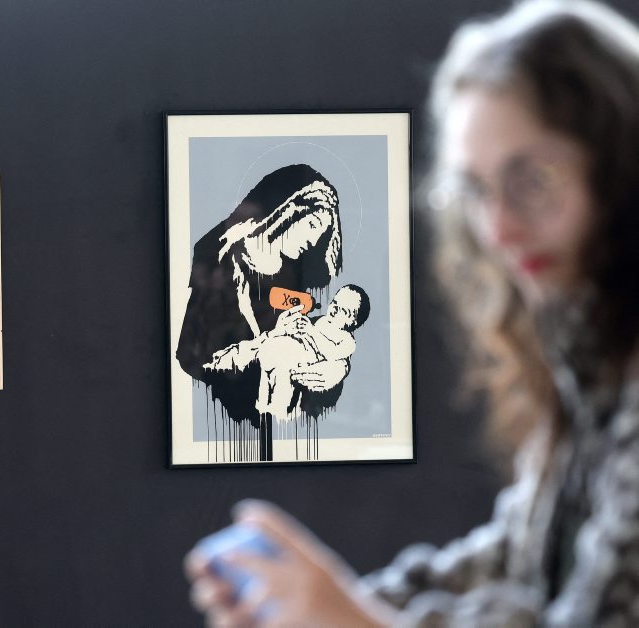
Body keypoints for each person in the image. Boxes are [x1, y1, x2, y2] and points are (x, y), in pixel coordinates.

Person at [185, 0, 639, 625]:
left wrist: (351, 618)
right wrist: (327, 605)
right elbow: (516, 558)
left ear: (619, 164)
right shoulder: (586, 358)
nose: (499, 228)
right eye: (476, 191)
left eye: (531, 180)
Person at [176, 164, 344, 459]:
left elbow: (320, 329)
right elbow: (195, 360)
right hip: (226, 425)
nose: (314, 239)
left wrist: (336, 368)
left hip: (284, 427)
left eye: (322, 232)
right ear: (289, 212)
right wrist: (260, 349)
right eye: (312, 225)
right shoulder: (218, 261)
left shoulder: (295, 275)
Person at [204, 284, 371, 421]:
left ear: (353, 321)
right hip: (284, 350)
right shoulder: (320, 321)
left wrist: (310, 332)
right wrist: (293, 327)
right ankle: (262, 405)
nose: (334, 309)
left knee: (281, 380)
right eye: (334, 302)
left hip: (302, 361)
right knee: (268, 374)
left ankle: (274, 412)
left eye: (343, 310)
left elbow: (332, 352)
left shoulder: (347, 340)